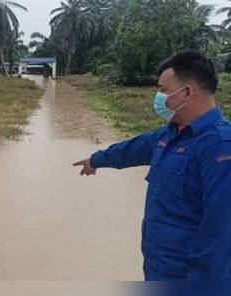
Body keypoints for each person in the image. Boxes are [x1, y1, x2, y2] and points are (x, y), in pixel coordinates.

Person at [73, 50, 231, 280]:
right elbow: (132, 150)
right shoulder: (170, 134)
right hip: (158, 267)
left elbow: (220, 235)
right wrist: (96, 160)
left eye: (163, 90)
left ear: (186, 92)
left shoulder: (221, 147)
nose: (158, 97)